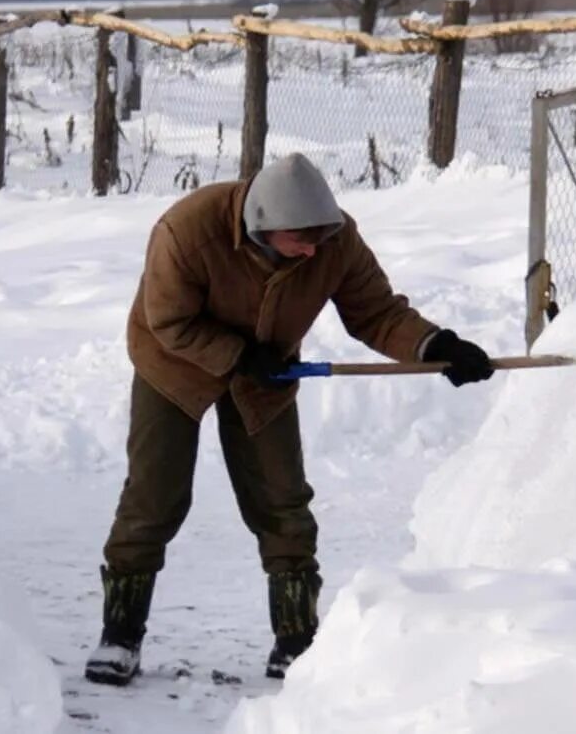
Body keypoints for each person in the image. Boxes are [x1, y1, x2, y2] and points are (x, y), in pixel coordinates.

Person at [84, 152, 493, 686]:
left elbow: (376, 312)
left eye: (320, 237)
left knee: (282, 499)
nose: (312, 250)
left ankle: (296, 641)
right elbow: (169, 321)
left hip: (267, 373)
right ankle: (120, 635)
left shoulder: (335, 240)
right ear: (261, 228)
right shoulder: (186, 231)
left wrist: (434, 344)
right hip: (175, 365)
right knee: (155, 496)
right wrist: (237, 355)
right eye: (300, 240)